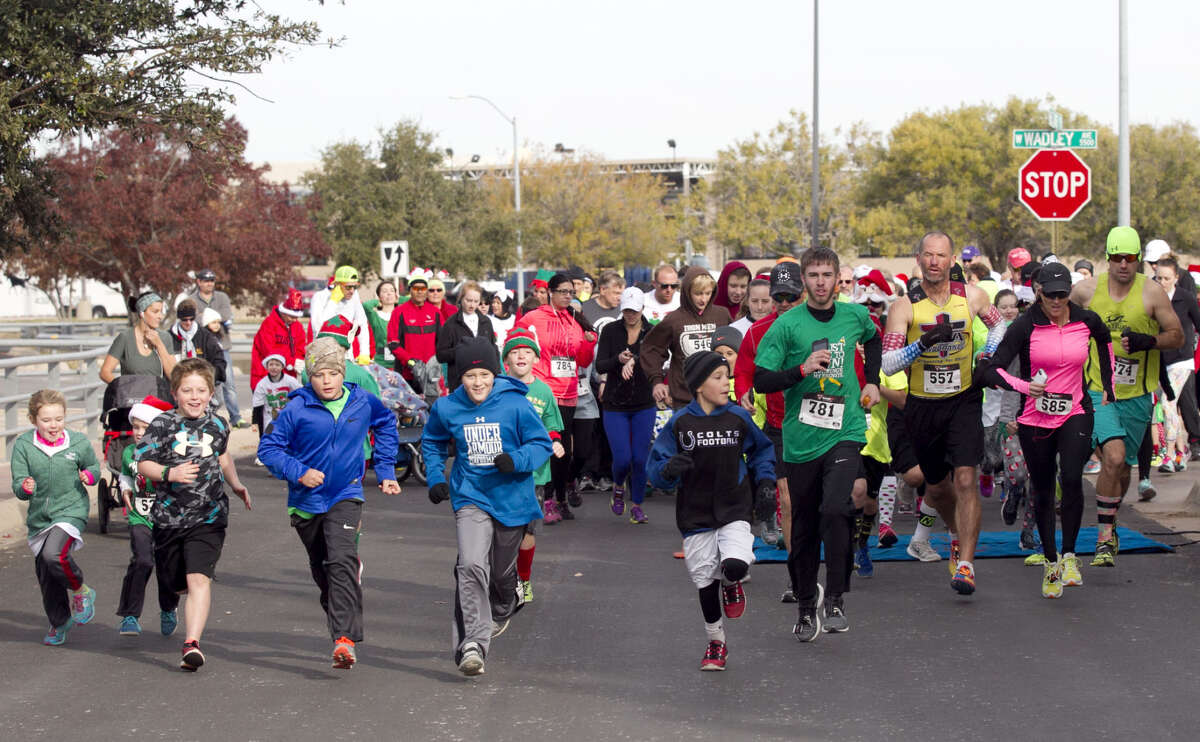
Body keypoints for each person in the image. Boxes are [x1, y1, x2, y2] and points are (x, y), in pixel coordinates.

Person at [754, 247, 881, 639]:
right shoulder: (786, 325)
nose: (821, 283)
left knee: (835, 509)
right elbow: (762, 379)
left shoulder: (855, 315)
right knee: (806, 527)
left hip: (845, 431)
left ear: (838, 278)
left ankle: (837, 598)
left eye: (828, 275)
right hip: (801, 438)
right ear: (804, 280)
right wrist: (801, 369)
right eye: (814, 276)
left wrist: (872, 380)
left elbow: (875, 339)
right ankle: (807, 605)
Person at [258, 336, 401, 669]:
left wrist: (385, 470)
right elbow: (269, 450)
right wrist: (299, 472)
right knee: (324, 570)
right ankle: (342, 620)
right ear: (310, 376)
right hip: (306, 501)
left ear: (342, 373)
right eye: (319, 374)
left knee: (340, 561)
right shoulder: (296, 408)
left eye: (333, 374)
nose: (327, 381)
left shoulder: (362, 401)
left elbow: (386, 424)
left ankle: (344, 640)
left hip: (346, 493)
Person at [881, 231, 1007, 595]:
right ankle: (955, 533)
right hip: (922, 405)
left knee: (966, 478)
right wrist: (921, 345)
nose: (935, 262)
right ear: (918, 260)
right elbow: (889, 364)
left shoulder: (973, 296)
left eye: (942, 255)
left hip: (963, 400)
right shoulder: (905, 306)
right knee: (937, 484)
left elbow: (998, 324)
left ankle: (966, 564)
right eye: (928, 255)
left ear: (953, 260)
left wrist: (987, 355)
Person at [422, 338, 553, 677]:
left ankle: (503, 603)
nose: (478, 382)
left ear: (494, 374)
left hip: (511, 500)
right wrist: (436, 476)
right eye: (470, 376)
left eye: (484, 374)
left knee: (500, 574)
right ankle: (473, 646)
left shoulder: (516, 406)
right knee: (470, 566)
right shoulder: (447, 407)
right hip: (470, 495)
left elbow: (542, 444)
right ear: (459, 378)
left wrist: (517, 460)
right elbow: (433, 441)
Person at [983, 262, 1115, 598]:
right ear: (1038, 291)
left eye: (1063, 294)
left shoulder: (1086, 320)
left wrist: (1108, 388)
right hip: (1035, 417)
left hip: (1075, 410)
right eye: (1050, 294)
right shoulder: (1025, 326)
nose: (1057, 300)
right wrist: (1025, 387)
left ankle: (1071, 556)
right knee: (1042, 489)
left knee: (1071, 477)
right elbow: (991, 370)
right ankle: (1052, 563)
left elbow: (1105, 342)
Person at [647, 350, 776, 671]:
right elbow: (655, 466)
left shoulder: (738, 418)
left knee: (733, 565)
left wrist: (765, 483)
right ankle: (716, 642)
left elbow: (762, 450)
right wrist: (668, 470)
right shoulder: (680, 423)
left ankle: (732, 582)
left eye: (727, 377)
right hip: (695, 514)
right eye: (718, 378)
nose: (726, 383)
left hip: (735, 506)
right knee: (705, 583)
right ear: (698, 385)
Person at [1070, 226, 1183, 567]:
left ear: (1137, 260)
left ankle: (1111, 519)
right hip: (1098, 388)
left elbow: (1176, 335)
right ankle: (1105, 537)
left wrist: (1151, 341)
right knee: (1114, 456)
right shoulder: (1086, 291)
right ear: (1108, 258)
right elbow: (1057, 317)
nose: (1123, 264)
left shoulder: (1152, 293)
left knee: (1124, 467)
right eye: (1117, 258)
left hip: (1137, 392)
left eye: (1130, 258)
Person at [133, 358, 251, 671]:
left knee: (198, 578)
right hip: (169, 517)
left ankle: (192, 643)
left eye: (201, 390)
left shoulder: (217, 423)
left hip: (209, 515)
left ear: (211, 393)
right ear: (176, 393)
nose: (195, 396)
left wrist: (236, 484)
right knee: (174, 580)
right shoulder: (162, 425)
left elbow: (223, 455)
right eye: (188, 390)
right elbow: (142, 463)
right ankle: (170, 598)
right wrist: (170, 473)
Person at [733, 263, 805, 599]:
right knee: (788, 501)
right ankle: (797, 574)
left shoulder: (820, 325)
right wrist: (743, 392)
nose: (786, 302)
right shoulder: (758, 331)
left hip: (821, 426)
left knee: (824, 502)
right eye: (780, 297)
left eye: (792, 296)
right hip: (779, 425)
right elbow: (744, 368)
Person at [11, 389, 102, 646]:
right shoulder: (24, 445)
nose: (54, 426)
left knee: (54, 554)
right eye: (46, 420)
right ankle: (59, 622)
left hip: (71, 509)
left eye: (59, 419)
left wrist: (90, 476)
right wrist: (24, 486)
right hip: (40, 517)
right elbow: (18, 482)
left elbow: (94, 467)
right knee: (47, 573)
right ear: (33, 420)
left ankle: (81, 591)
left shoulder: (77, 442)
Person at [514, 273, 598, 521]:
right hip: (542, 391)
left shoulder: (575, 320)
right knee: (551, 447)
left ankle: (562, 494)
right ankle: (548, 499)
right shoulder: (533, 318)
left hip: (569, 392)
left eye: (571, 292)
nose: (567, 296)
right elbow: (515, 345)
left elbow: (582, 360)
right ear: (550, 291)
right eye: (563, 291)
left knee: (570, 453)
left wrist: (588, 343)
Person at [501, 327, 565, 602]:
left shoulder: (543, 390)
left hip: (535, 474)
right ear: (506, 360)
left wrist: (556, 441)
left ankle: (524, 579)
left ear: (536, 359)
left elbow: (552, 423)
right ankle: (502, 578)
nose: (521, 356)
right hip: (501, 472)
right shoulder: (497, 387)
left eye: (527, 351)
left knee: (527, 530)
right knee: (502, 530)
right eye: (515, 352)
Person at [115, 395, 179, 637]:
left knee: (167, 566)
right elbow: (125, 476)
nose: (140, 432)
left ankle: (168, 607)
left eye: (146, 427)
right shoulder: (129, 452)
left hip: (166, 518)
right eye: (136, 427)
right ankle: (130, 615)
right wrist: (125, 488)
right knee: (142, 560)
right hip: (140, 516)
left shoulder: (168, 451)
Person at [596, 287, 656, 523]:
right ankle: (618, 486)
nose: (630, 315)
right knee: (622, 459)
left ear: (642, 309)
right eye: (626, 311)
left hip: (643, 403)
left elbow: (658, 360)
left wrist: (637, 361)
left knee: (640, 459)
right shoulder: (611, 330)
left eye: (634, 311)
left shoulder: (651, 332)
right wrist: (617, 360)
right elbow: (600, 365)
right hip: (615, 404)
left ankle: (638, 505)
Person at [640, 266, 732, 410]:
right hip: (685, 399)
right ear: (687, 292)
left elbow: (736, 350)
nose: (703, 299)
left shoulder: (722, 315)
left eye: (708, 293)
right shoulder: (674, 319)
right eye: (698, 293)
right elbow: (652, 349)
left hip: (718, 397)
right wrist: (657, 381)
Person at [1151, 256, 1200, 473]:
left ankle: (1169, 455)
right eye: (1159, 277)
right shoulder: (1151, 298)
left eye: (1166, 278)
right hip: (1161, 359)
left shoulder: (1185, 298)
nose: (1162, 281)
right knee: (1171, 408)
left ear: (1176, 278)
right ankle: (1182, 451)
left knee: (1167, 403)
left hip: (1182, 360)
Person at [176, 269, 241, 426]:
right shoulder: (191, 299)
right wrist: (209, 317)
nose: (209, 283)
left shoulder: (222, 297)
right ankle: (207, 414)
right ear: (198, 282)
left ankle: (236, 417)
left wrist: (206, 316)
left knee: (228, 383)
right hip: (201, 347)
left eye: (212, 280)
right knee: (201, 383)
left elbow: (226, 315)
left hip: (221, 344)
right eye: (206, 280)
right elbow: (193, 319)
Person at [99, 292, 178, 383]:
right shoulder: (125, 337)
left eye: (161, 312)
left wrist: (159, 345)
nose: (160, 316)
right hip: (132, 396)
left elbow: (174, 377)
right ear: (142, 313)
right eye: (155, 312)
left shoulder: (165, 338)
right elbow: (105, 372)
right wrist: (124, 389)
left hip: (158, 395)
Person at [388, 269, 442, 390]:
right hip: (406, 374)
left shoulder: (435, 312)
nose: (419, 292)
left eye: (422, 289)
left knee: (432, 407)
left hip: (430, 373)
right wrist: (411, 362)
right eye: (415, 288)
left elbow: (442, 342)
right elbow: (393, 344)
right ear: (410, 290)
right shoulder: (399, 312)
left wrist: (435, 364)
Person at [437, 281, 496, 391]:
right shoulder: (451, 323)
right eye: (468, 300)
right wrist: (461, 350)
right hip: (459, 382)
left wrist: (496, 373)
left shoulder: (486, 321)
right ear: (461, 299)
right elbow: (441, 355)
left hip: (483, 383)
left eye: (476, 301)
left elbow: (493, 349)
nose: (472, 305)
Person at [310, 265, 372, 364]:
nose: (352, 290)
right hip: (323, 355)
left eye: (354, 287)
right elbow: (318, 328)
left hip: (346, 355)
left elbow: (362, 324)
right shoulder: (319, 297)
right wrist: (333, 302)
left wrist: (364, 352)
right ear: (337, 285)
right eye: (348, 287)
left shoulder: (354, 296)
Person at [249, 287, 307, 394]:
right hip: (266, 375)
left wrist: (298, 360)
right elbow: (269, 351)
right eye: (291, 317)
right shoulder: (269, 324)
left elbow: (300, 347)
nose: (294, 320)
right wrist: (291, 361)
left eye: (296, 317)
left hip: (287, 377)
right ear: (283, 312)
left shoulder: (297, 327)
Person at [166, 300, 226, 383]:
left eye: (191, 319)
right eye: (185, 320)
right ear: (179, 319)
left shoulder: (205, 336)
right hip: (177, 384)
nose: (188, 323)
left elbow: (219, 360)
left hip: (202, 384)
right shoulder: (169, 337)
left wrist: (209, 378)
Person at [250, 354, 302, 437]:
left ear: (282, 367)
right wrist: (255, 422)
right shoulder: (262, 384)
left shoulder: (290, 380)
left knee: (288, 435)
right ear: (266, 367)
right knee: (268, 436)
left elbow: (301, 393)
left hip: (287, 415)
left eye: (277, 365)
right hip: (270, 417)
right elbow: (257, 404)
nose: (274, 367)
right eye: (271, 364)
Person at [363, 280, 401, 365]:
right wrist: (377, 301)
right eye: (384, 291)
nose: (389, 293)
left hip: (400, 360)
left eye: (392, 291)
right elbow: (366, 306)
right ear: (379, 296)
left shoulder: (402, 314)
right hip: (381, 361)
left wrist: (399, 299)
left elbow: (410, 301)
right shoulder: (375, 316)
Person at [488, 289, 517, 356]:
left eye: (498, 303)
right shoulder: (488, 320)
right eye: (493, 302)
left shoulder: (514, 320)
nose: (494, 305)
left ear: (505, 305)